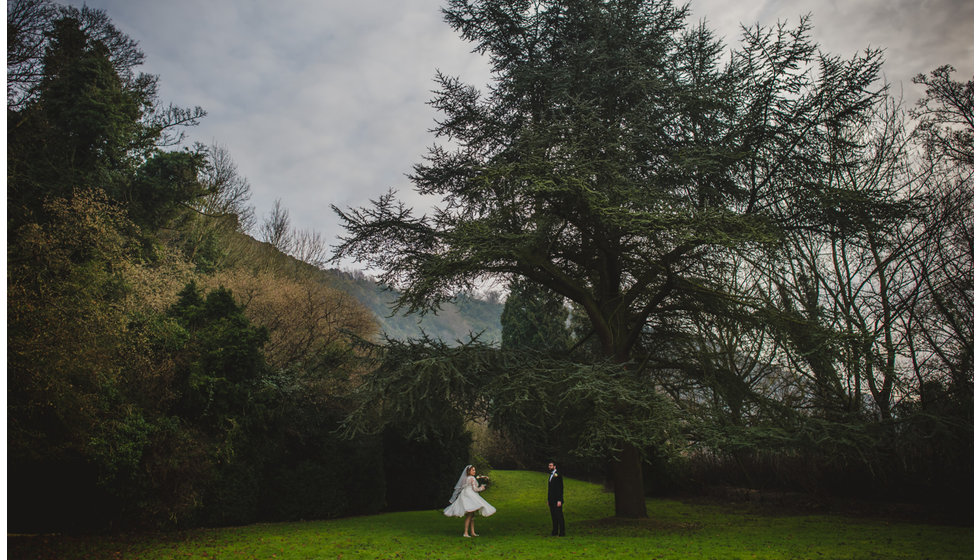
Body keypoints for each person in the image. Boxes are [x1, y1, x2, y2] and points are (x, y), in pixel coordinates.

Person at [443, 464, 496, 537]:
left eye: (474, 470)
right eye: (473, 470)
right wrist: (482, 488)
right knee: (470, 515)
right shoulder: (472, 478)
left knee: (471, 515)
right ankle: (466, 532)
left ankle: (472, 532)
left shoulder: (466, 478)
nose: (474, 471)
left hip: (465, 494)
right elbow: (475, 489)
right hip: (470, 495)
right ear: (469, 471)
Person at [547, 461, 565, 536]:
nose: (549, 467)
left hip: (557, 500)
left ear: (554, 466)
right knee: (553, 516)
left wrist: (559, 500)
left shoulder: (558, 475)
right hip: (551, 500)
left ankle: (562, 532)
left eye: (551, 465)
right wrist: (548, 500)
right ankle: (555, 531)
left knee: (559, 516)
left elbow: (560, 488)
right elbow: (550, 489)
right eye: (549, 465)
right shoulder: (551, 475)